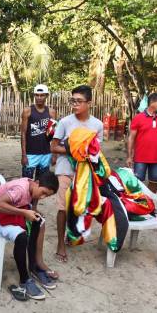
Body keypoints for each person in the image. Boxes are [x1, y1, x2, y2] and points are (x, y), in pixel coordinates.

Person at [0, 172, 59, 300]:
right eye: (43, 192)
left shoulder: (33, 187)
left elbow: (34, 199)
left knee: (38, 222)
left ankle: (34, 266)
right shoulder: (20, 190)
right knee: (21, 236)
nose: (43, 197)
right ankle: (24, 280)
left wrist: (33, 210)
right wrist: (23, 212)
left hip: (6, 213)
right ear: (37, 182)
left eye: (47, 196)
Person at [50, 85, 104, 263]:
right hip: (65, 170)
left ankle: (71, 234)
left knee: (78, 206)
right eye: (72, 101)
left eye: (79, 101)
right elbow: (54, 146)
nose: (74, 104)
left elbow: (97, 151)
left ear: (89, 103)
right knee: (62, 207)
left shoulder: (97, 125)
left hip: (85, 173)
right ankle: (60, 245)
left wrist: (87, 153)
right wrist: (73, 150)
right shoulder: (65, 122)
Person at [126, 92, 157, 194]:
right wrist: (129, 156)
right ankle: (138, 206)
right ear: (152, 103)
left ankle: (151, 205)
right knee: (137, 182)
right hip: (140, 157)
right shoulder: (138, 118)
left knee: (154, 182)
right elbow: (131, 138)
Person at [20, 84, 57, 181]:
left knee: (41, 184)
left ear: (47, 96)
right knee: (26, 183)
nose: (39, 97)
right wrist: (24, 155)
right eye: (37, 95)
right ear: (34, 95)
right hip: (30, 154)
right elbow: (23, 133)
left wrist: (54, 154)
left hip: (46, 154)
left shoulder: (51, 112)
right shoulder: (27, 111)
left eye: (42, 95)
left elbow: (52, 135)